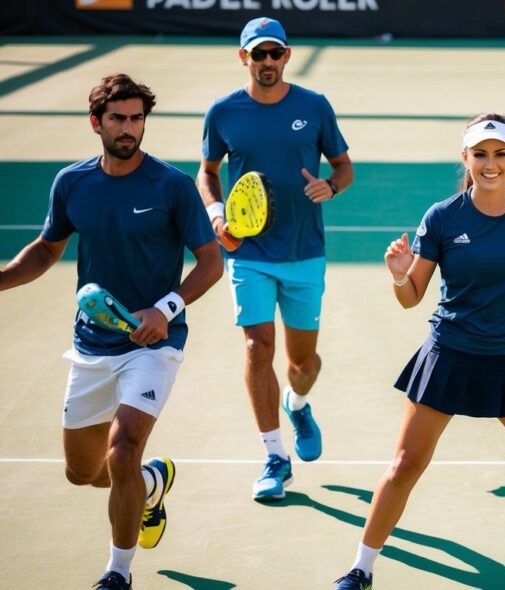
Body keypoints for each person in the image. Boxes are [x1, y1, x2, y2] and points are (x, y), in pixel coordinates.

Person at [331, 114, 505, 590]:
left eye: (500, 154)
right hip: (449, 354)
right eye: (481, 154)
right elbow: (412, 296)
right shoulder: (443, 217)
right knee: (405, 466)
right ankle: (361, 567)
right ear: (466, 158)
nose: (490, 164)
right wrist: (398, 272)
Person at [0, 74, 222, 590]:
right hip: (91, 344)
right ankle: (149, 484)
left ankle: (117, 573)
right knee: (84, 472)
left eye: (137, 118)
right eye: (119, 118)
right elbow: (45, 250)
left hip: (153, 342)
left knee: (122, 449)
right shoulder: (72, 183)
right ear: (96, 122)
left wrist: (166, 308)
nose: (129, 129)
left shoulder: (171, 185)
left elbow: (211, 261)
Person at [198, 17, 354, 501]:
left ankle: (299, 403)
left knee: (302, 361)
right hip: (250, 252)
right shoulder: (223, 112)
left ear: (286, 56)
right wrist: (216, 211)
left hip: (305, 251)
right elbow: (207, 172)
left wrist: (330, 185)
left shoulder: (314, 106)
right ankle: (274, 457)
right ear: (242, 57)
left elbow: (344, 167)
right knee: (256, 348)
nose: (267, 62)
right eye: (258, 53)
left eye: (275, 53)